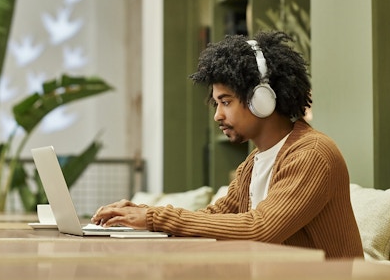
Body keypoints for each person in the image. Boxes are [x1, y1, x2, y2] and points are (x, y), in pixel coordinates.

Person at [91, 31, 364, 259]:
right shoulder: (253, 164)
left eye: (226, 101)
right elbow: (215, 217)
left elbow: (261, 228)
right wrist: (142, 218)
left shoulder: (312, 154)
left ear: (262, 98)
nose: (217, 115)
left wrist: (154, 217)